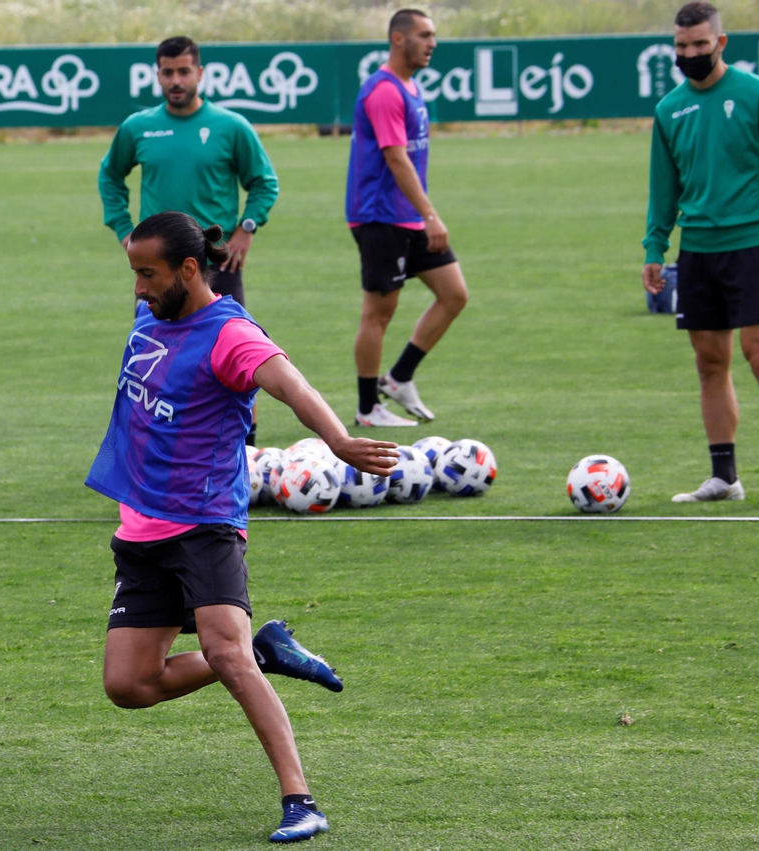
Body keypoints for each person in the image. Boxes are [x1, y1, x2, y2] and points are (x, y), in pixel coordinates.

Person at [85, 211, 399, 843]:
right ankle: (266, 649)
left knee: (224, 652)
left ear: (190, 269)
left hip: (204, 522)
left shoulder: (229, 332)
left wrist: (337, 439)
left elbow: (286, 381)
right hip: (143, 526)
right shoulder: (153, 316)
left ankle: (300, 799)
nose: (138, 288)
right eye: (134, 274)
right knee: (128, 685)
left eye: (148, 274)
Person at [644, 1, 759, 509]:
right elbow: (663, 188)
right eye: (681, 46)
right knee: (708, 363)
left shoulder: (758, 96)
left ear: (721, 43)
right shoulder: (669, 109)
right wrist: (656, 246)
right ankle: (725, 477)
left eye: (699, 44)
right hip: (697, 252)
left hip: (751, 247)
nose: (690, 54)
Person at [99, 35, 280, 443]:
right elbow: (110, 176)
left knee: (234, 354)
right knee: (152, 360)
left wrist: (247, 227)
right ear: (158, 75)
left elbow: (263, 183)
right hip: (158, 271)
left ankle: (242, 450)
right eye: (168, 72)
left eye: (184, 71)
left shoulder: (231, 127)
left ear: (200, 72)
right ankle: (148, 447)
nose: (176, 80)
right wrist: (124, 230)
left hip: (217, 266)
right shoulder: (138, 127)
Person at [345, 8, 469, 428]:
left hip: (408, 217)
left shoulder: (410, 86)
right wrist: (431, 214)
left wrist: (423, 216)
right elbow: (396, 159)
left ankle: (398, 378)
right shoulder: (383, 91)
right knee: (379, 312)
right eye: (424, 35)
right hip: (380, 217)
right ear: (398, 39)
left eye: (433, 34)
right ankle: (367, 409)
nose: (432, 42)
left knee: (454, 294)